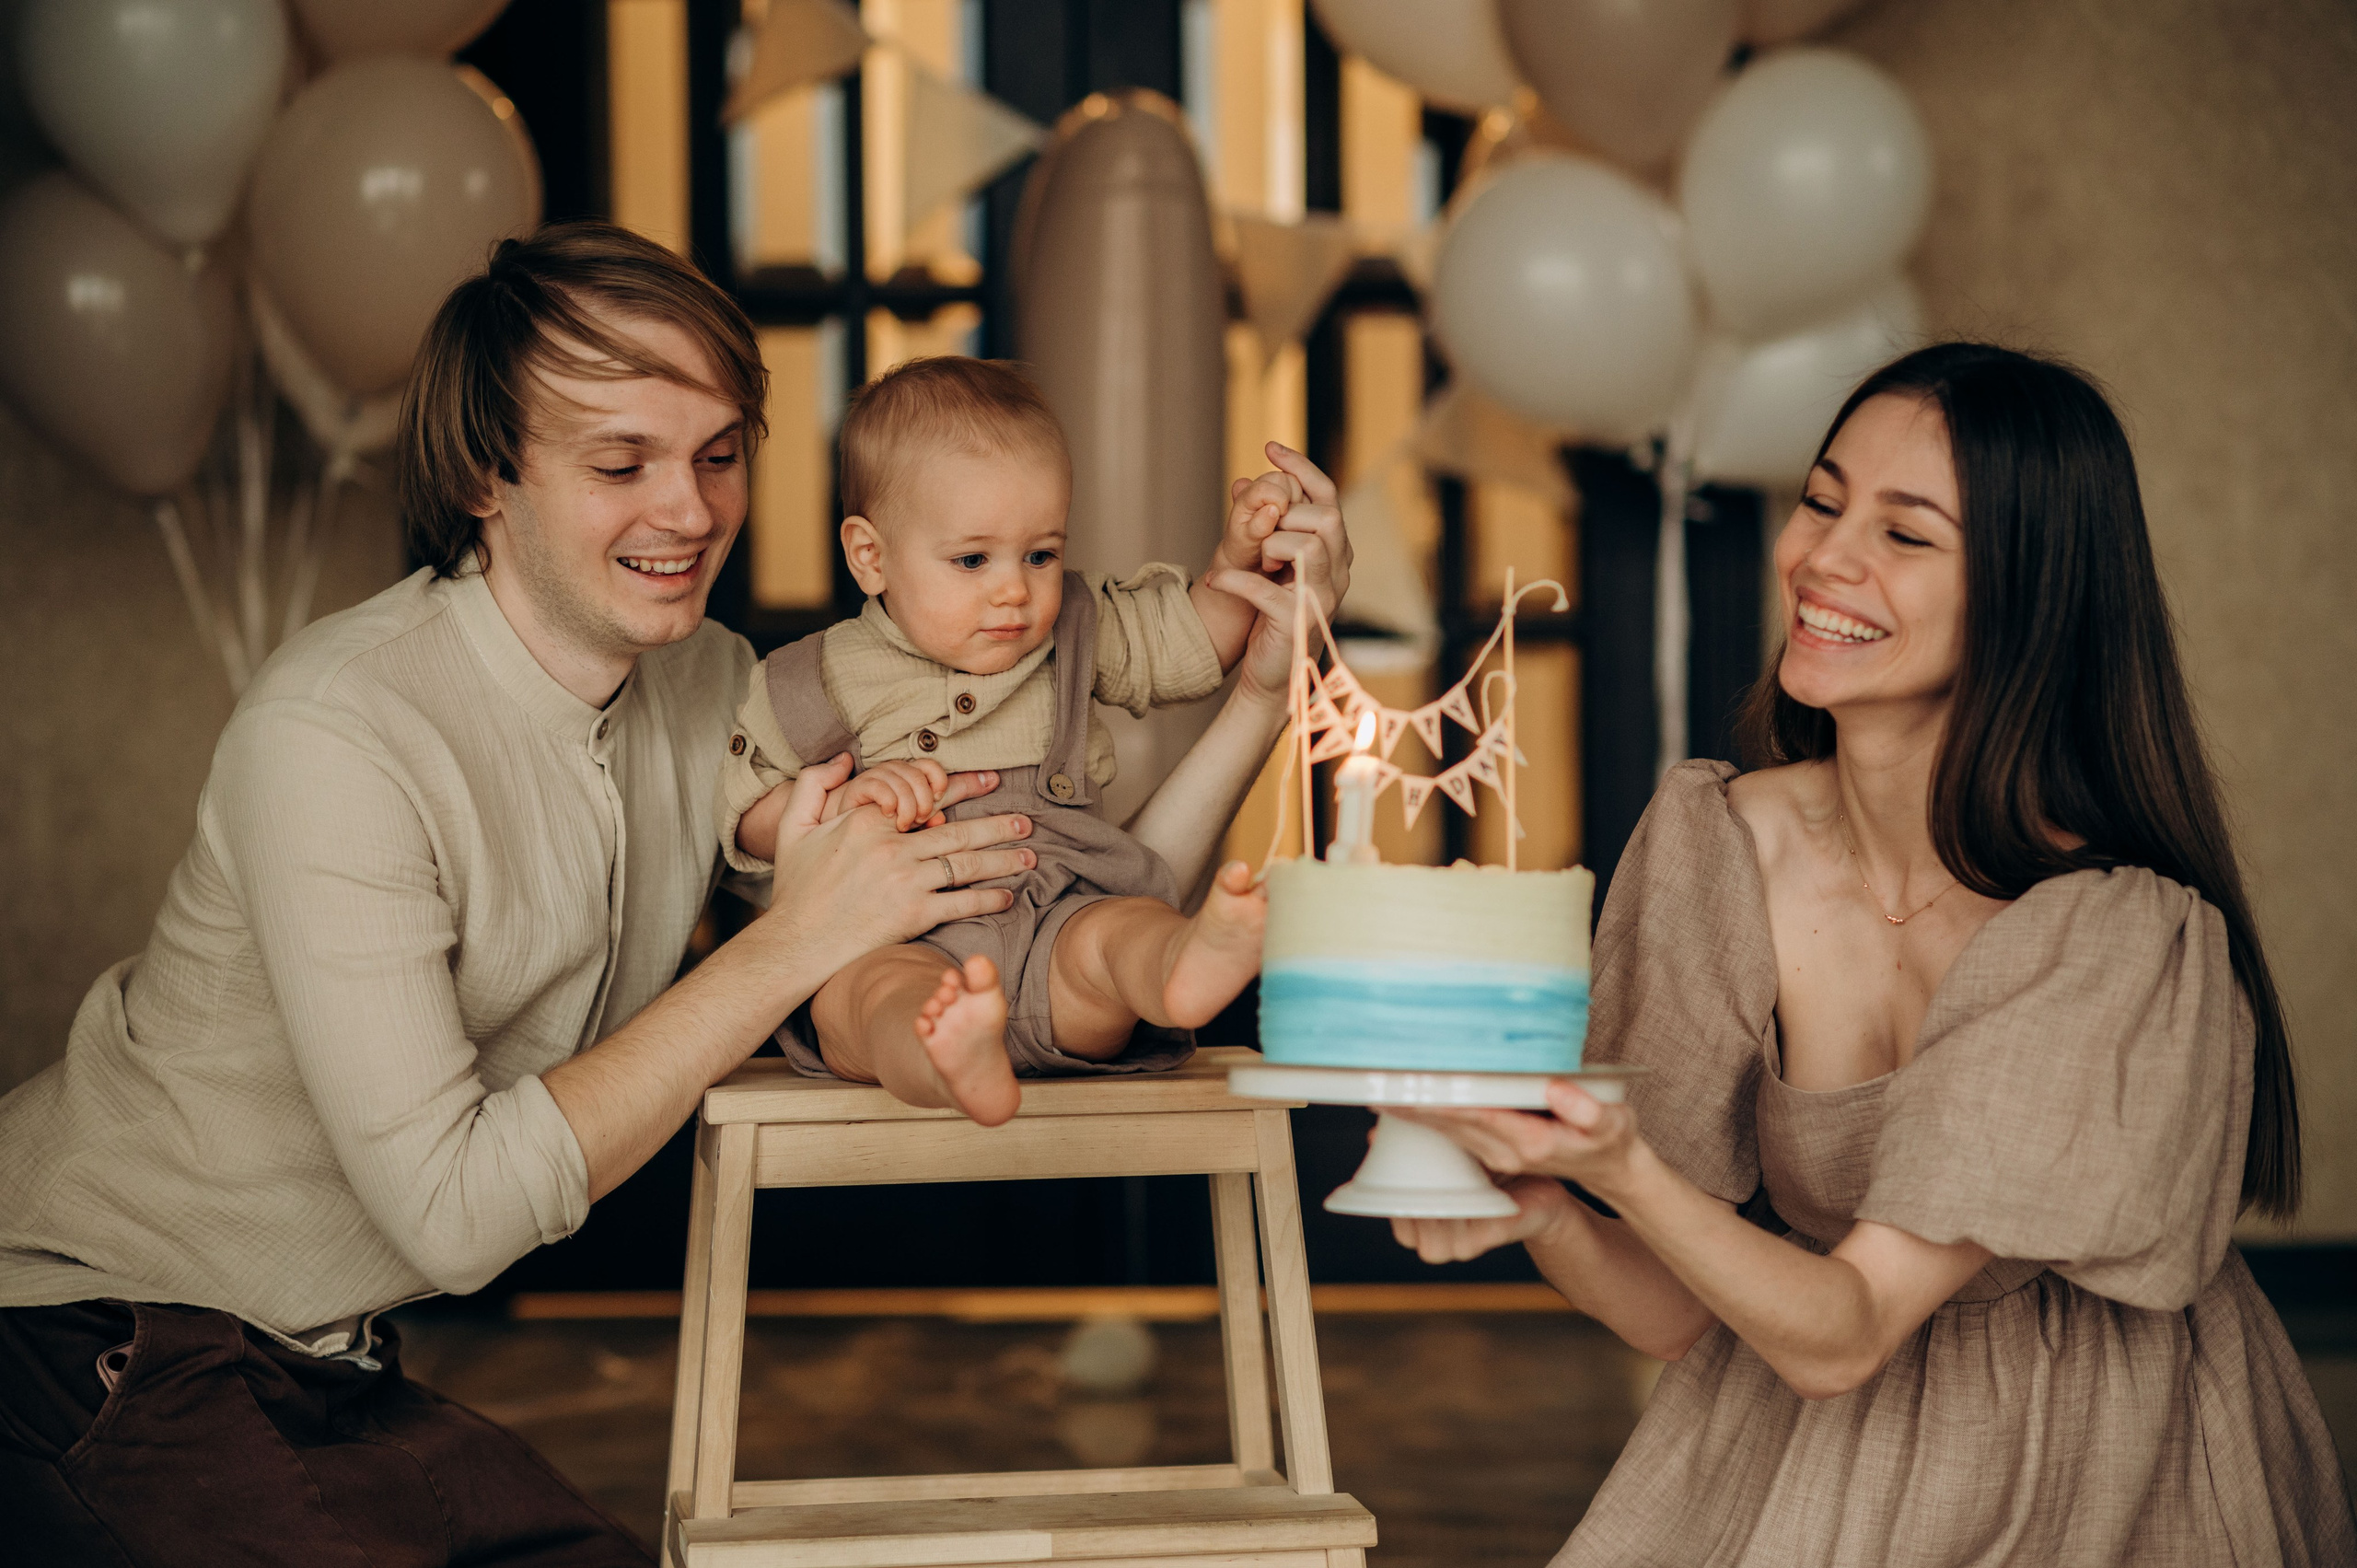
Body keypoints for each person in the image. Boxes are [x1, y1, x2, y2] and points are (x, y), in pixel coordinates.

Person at [0, 221, 1351, 1565]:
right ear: (486, 472)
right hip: (87, 1342)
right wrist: (799, 940)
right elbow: (457, 1211)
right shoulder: (337, 732)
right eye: (620, 462)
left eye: (717, 456)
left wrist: (1254, 690)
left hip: (324, 1363)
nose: (690, 511)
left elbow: (1076, 896)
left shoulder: (718, 689)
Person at [1390, 343, 2355, 1565]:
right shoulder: (1722, 843)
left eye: (1908, 534)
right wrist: (1547, 1208)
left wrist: (1621, 1164)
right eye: (1824, 498)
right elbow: (1687, 1308)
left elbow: (1845, 1331)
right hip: (1796, 1424)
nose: (1823, 558)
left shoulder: (2115, 935)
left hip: (2096, 1467)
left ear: (2029, 595)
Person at [718, 355, 1298, 1126]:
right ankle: (947, 1056)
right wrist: (833, 803)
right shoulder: (820, 675)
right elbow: (743, 803)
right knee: (872, 997)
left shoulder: (1076, 629)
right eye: (971, 559)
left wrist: (1237, 563)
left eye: (1041, 554)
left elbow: (1190, 640)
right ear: (871, 555)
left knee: (1116, 935)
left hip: (1063, 911)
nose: (1014, 590)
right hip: (895, 930)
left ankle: (1177, 969)